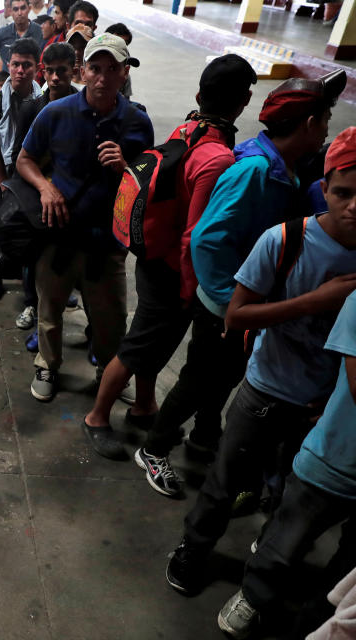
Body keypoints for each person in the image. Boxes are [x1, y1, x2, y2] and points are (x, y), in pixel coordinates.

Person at [165, 127, 356, 606]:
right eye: (343, 193)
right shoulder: (285, 240)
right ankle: (194, 546)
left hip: (323, 408)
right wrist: (318, 300)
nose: (354, 206)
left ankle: (263, 564)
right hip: (267, 390)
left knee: (290, 497)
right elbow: (238, 315)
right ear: (326, 188)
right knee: (225, 479)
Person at [141, 70, 346, 483]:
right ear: (309, 125)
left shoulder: (281, 164)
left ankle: (202, 437)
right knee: (196, 382)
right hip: (223, 305)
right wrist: (227, 300)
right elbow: (206, 239)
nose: (327, 130)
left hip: (243, 302)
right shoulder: (254, 170)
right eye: (325, 121)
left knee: (224, 378)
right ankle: (154, 447)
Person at [82, 55, 258, 471]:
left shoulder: (188, 127)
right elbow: (195, 235)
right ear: (245, 101)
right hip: (172, 270)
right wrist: (188, 291)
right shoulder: (216, 157)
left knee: (152, 342)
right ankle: (97, 417)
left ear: (199, 95)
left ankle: (144, 407)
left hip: (151, 256)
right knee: (138, 346)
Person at [15, 33, 154, 405]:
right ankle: (48, 364)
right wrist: (46, 188)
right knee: (50, 309)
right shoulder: (55, 113)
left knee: (110, 319)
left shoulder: (137, 121)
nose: (103, 78)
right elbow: (24, 160)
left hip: (107, 243)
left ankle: (108, 373)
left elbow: (148, 180)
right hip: (60, 236)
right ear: (83, 71)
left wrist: (126, 167)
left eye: (113, 69)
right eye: (95, 68)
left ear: (125, 73)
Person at [0, 37, 43, 304]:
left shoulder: (43, 102)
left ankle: (33, 286)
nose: (20, 71)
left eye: (26, 65)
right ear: (8, 64)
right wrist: (4, 181)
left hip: (28, 178)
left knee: (29, 231)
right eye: (15, 64)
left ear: (36, 68)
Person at [0, 0, 43, 79]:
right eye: (15, 9)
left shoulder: (40, 31)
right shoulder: (3, 32)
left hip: (33, 84)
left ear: (29, 8)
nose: (19, 13)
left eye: (23, 8)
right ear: (11, 12)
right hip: (8, 84)